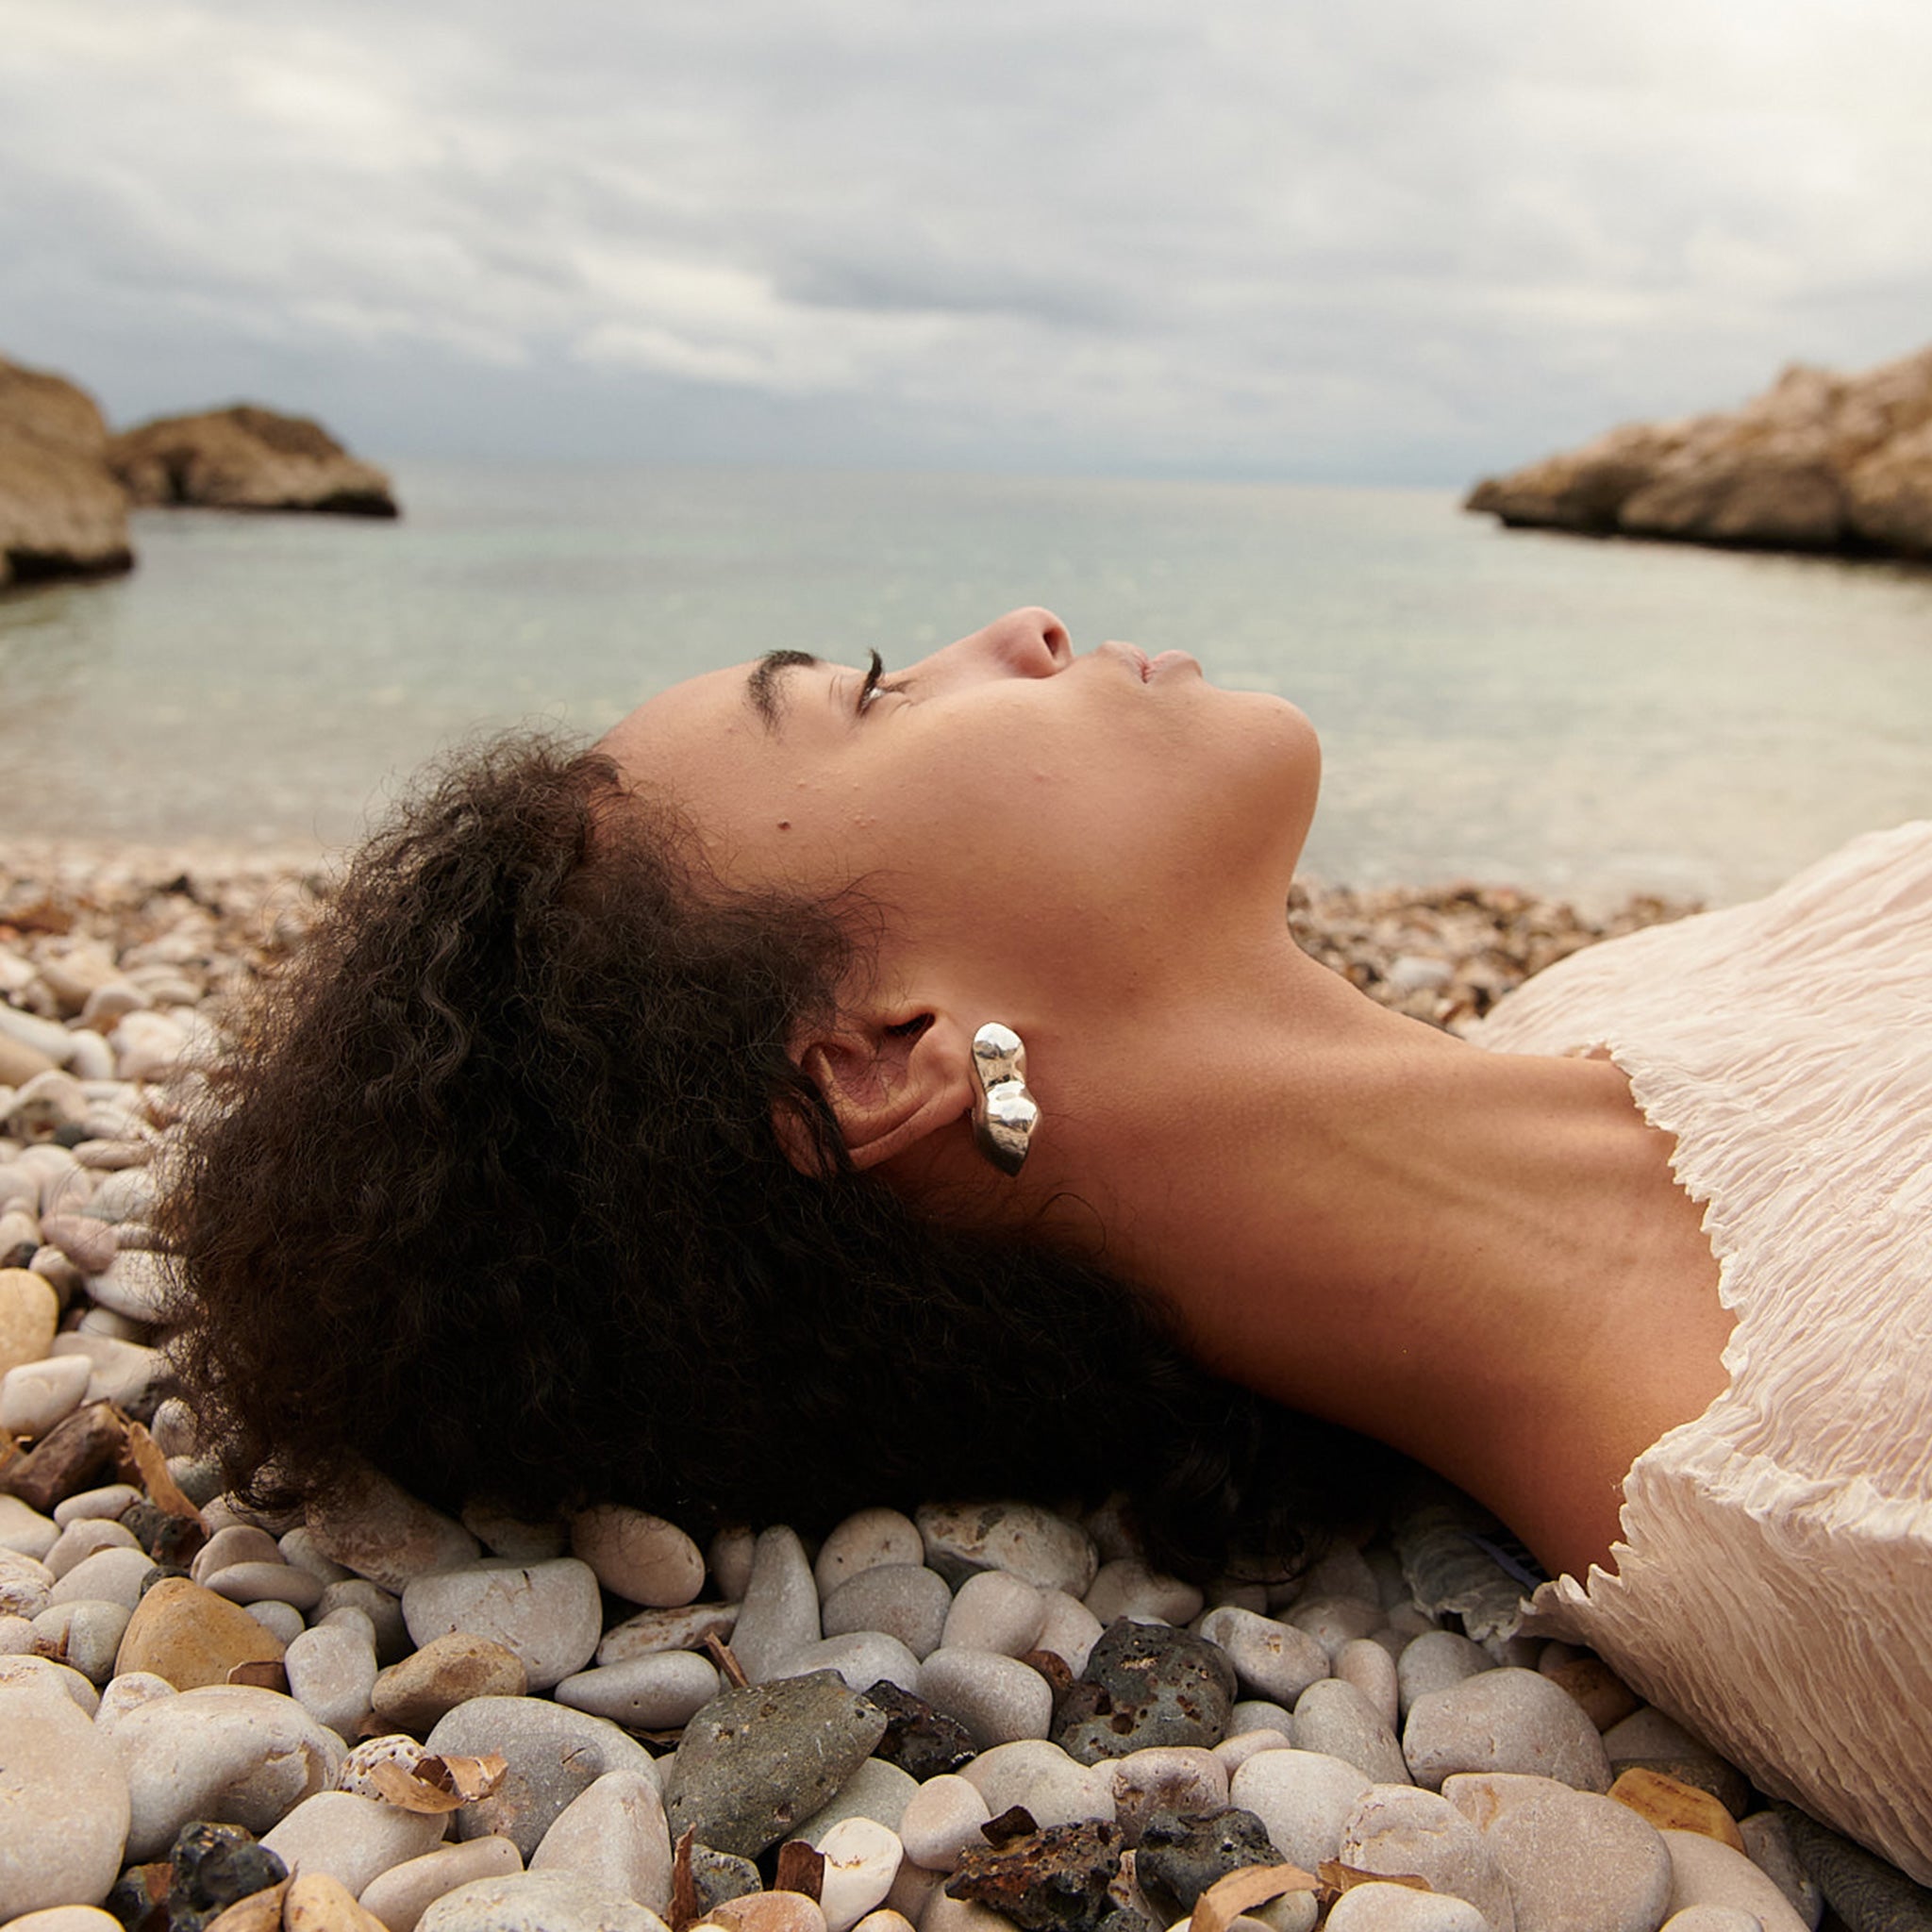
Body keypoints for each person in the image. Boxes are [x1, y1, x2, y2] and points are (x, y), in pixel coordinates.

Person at [171, 608, 1931, 1878]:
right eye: (872, 692)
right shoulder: (1840, 1502)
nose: (1019, 626)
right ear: (882, 1059)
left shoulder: (1622, 991)